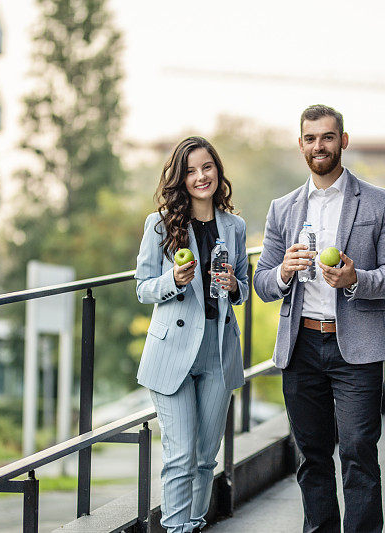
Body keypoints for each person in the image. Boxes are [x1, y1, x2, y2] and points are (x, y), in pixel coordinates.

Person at [253, 104, 385, 532]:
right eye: (310, 138)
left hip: (356, 347)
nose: (318, 146)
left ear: (343, 140)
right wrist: (284, 272)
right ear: (300, 144)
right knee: (311, 457)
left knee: (359, 450)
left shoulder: (380, 202)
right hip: (301, 346)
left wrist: (357, 278)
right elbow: (261, 282)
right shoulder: (282, 209)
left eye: (326, 137)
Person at [135, 136, 248, 533]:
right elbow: (142, 287)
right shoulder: (161, 223)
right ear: (180, 179)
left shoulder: (234, 226)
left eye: (207, 167)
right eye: (191, 171)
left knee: (205, 457)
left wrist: (234, 284)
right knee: (180, 453)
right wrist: (173, 280)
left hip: (218, 349)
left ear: (217, 170)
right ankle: (175, 528)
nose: (201, 177)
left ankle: (194, 523)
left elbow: (244, 289)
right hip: (173, 352)